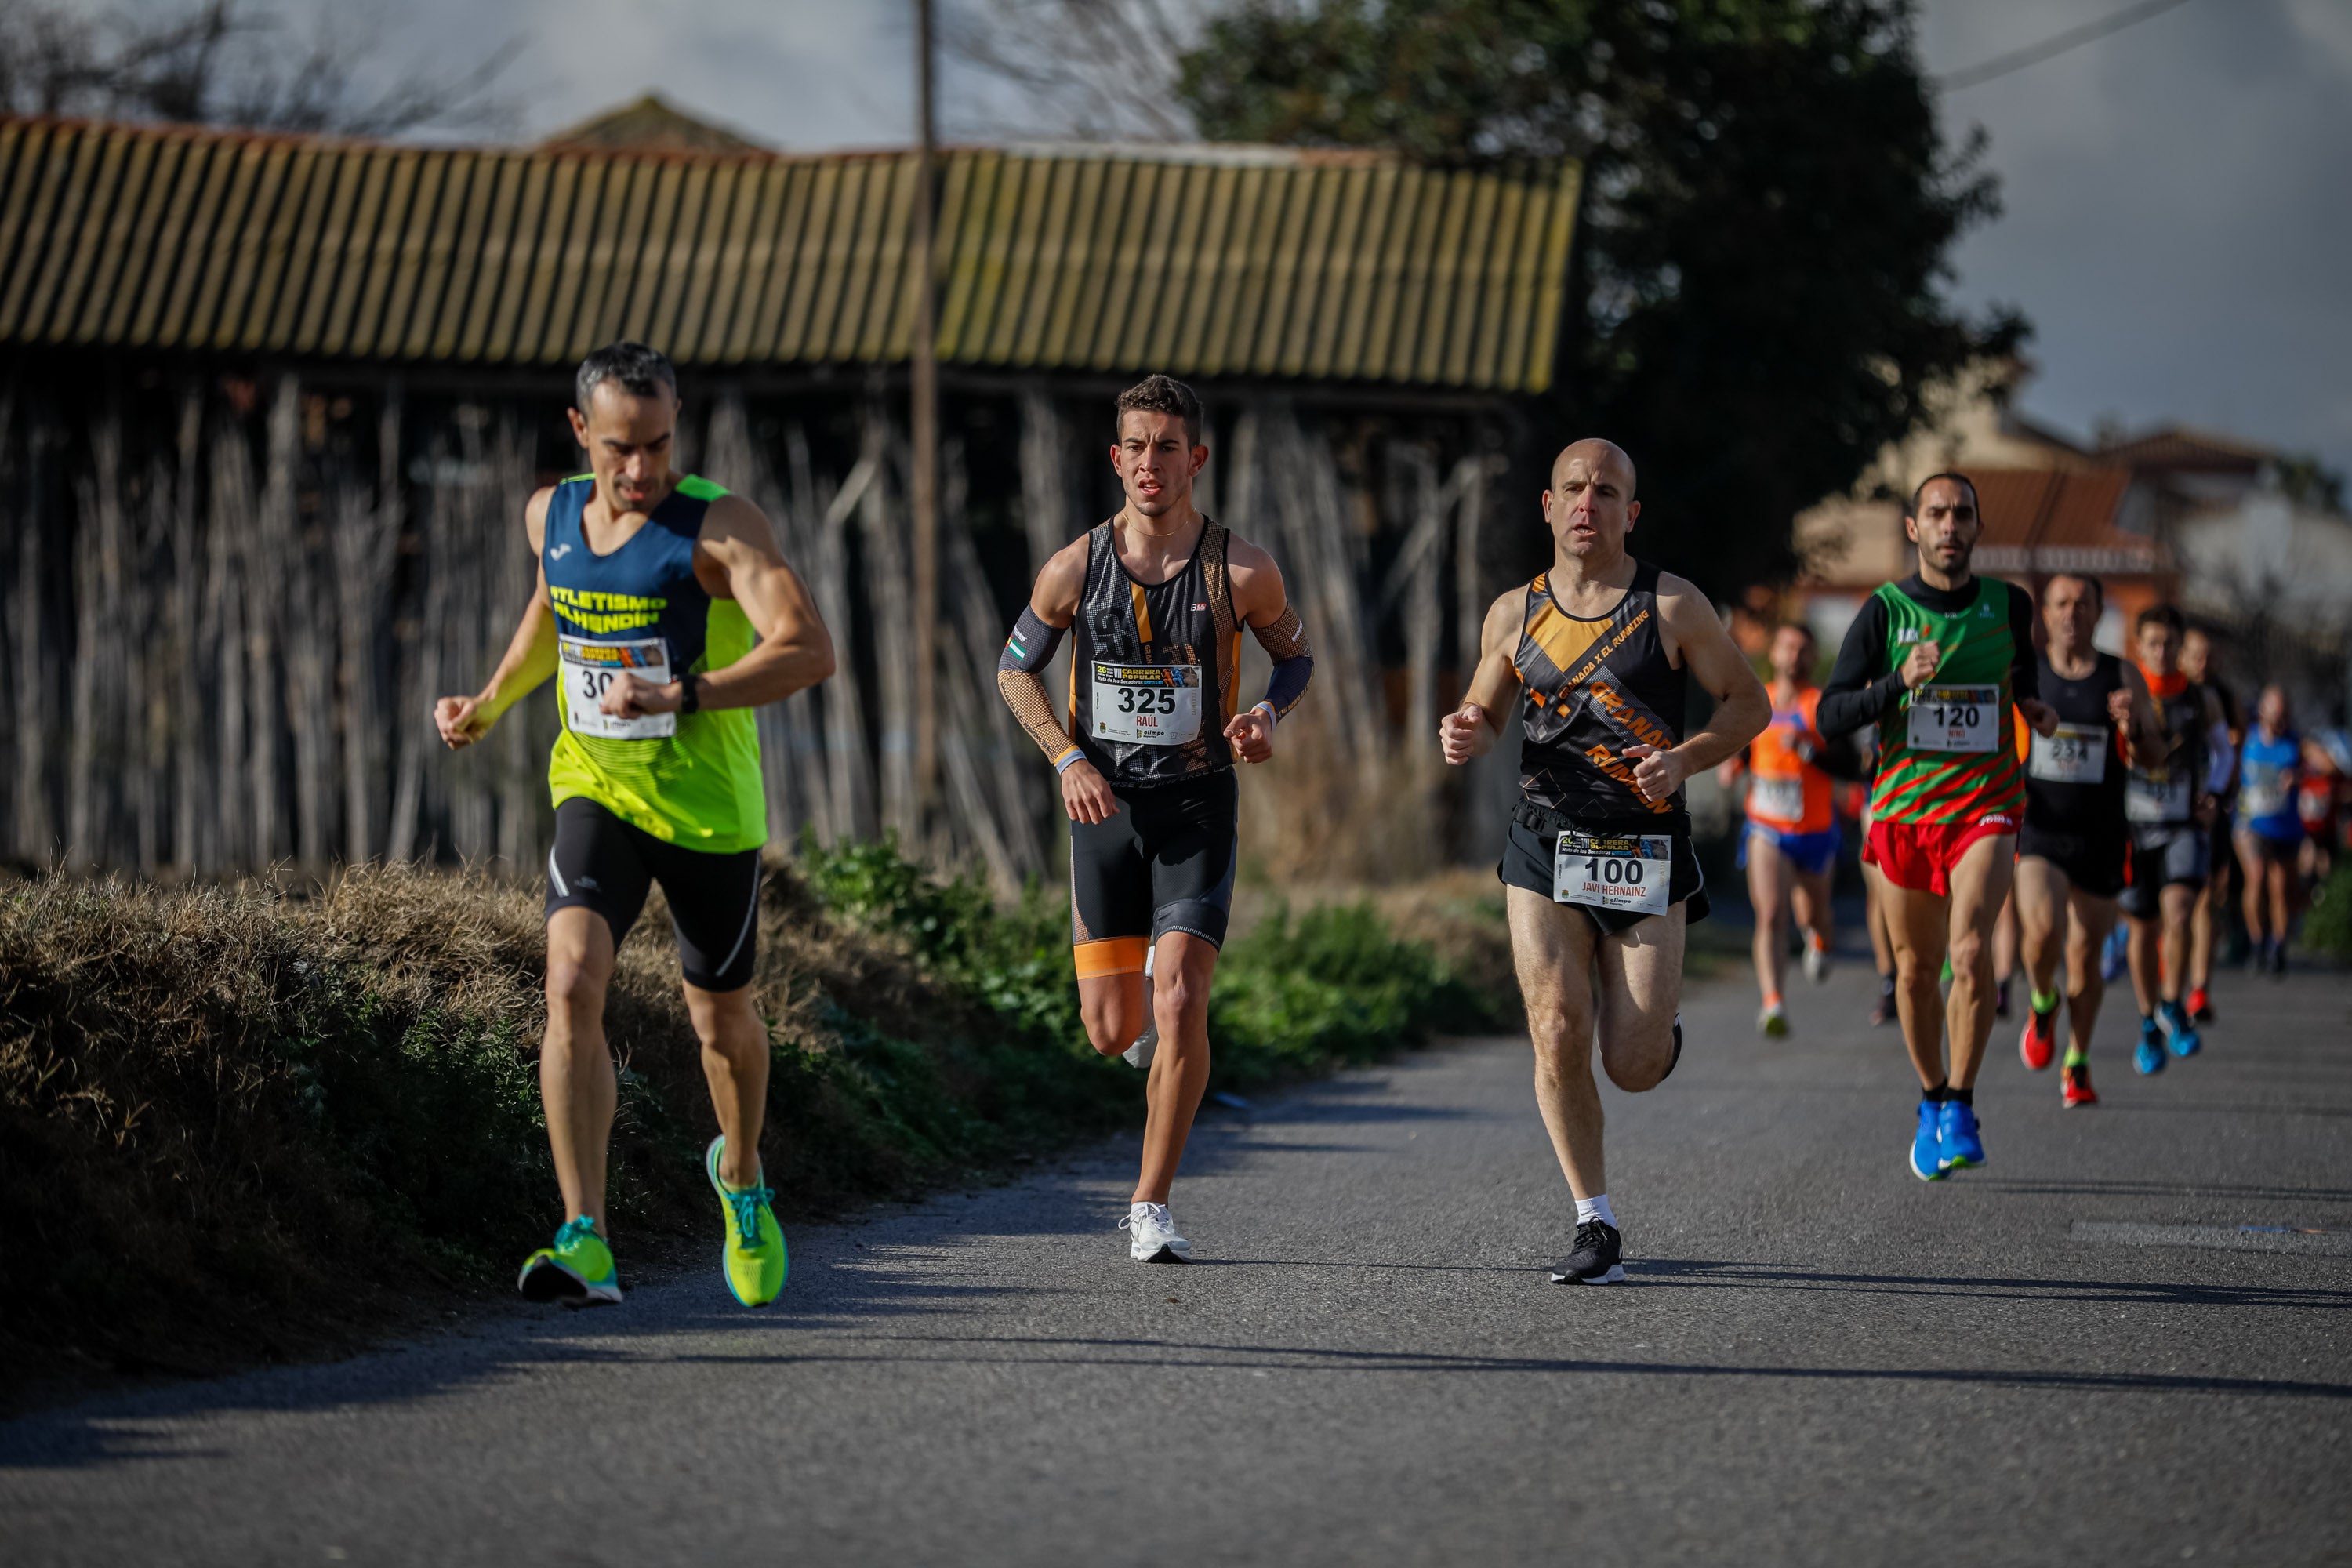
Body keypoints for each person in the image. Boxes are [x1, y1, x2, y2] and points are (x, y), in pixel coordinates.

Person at [435, 342, 836, 1309]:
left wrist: (685, 691)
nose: (642, 468)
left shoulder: (719, 527)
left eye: (659, 444)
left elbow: (809, 649)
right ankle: (587, 1238)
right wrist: (490, 700)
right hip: (596, 787)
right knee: (569, 980)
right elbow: (553, 610)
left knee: (722, 1022)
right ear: (581, 433)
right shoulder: (552, 514)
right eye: (621, 447)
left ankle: (740, 1176)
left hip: (706, 815)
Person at [996, 374, 1309, 1265]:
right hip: (1104, 807)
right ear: (1116, 458)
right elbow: (1013, 670)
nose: (1149, 462)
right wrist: (1065, 756)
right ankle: (1135, 1022)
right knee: (1109, 1030)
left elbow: (1297, 656)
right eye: (1135, 445)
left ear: (1195, 460)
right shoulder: (1073, 566)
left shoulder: (1242, 569)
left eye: (1167, 446)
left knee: (1180, 997)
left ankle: (1150, 1204)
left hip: (1197, 804)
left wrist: (1266, 716)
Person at [1439, 439, 1767, 1283]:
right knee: (1555, 1023)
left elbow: (1750, 701)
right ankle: (1595, 1219)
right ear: (1548, 507)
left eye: (1607, 491)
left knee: (1632, 1062)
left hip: (1643, 846)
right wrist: (1466, 729)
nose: (1588, 503)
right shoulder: (1514, 611)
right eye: (1574, 489)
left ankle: (1658, 1035)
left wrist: (1688, 758)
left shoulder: (1673, 605)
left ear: (1631, 512)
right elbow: (1483, 707)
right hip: (1545, 842)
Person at [1816, 473, 2057, 1181]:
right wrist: (1897, 684)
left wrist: (2036, 710)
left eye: (1962, 514)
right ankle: (1930, 1097)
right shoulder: (1885, 612)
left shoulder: (2010, 607)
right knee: (1917, 974)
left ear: (1977, 529)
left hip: (1985, 804)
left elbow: (2027, 678)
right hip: (1903, 813)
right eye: (1937, 514)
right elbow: (1830, 717)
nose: (1950, 526)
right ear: (1914, 529)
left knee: (1972, 950)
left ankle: (1963, 1101)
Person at [2012, 572, 2159, 1109]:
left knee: (2085, 953)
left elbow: (2154, 757)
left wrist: (2134, 729)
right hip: (2041, 828)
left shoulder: (2122, 676)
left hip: (2100, 834)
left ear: (2099, 613)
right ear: (2045, 614)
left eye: (2083, 603)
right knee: (2044, 930)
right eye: (2061, 603)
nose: (2071, 612)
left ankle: (2076, 1060)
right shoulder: (2026, 674)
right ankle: (2042, 1001)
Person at [1716, 622, 1851, 1036]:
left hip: (1814, 830)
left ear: (1811, 658)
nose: (1794, 656)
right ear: (1773, 654)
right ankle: (1773, 1002)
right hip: (1767, 826)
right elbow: (1746, 743)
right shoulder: (1760, 701)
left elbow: (1849, 765)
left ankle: (1821, 940)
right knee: (1771, 914)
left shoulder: (1821, 705)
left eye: (1803, 649)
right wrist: (1733, 764)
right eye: (1787, 647)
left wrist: (1808, 749)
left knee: (1815, 914)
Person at [2118, 604, 2230, 1073]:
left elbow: (2224, 751)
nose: (2162, 653)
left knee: (2181, 912)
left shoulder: (2201, 699)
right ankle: (2148, 1020)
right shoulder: (2123, 693)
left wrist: (2216, 794)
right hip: (2132, 827)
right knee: (2142, 928)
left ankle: (2172, 1001)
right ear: (2138, 647)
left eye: (2170, 645)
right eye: (2153, 645)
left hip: (2183, 822)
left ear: (2180, 649)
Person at [2179, 626, 2239, 1020]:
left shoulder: (2223, 698)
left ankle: (2199, 989)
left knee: (2206, 899)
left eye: (2210, 656)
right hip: (2162, 811)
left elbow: (2233, 752)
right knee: (2172, 904)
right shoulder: (2159, 691)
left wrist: (2219, 797)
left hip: (2210, 811)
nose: (2203, 663)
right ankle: (2170, 969)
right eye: (2196, 654)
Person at [2234, 684, 2302, 976]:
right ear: (2263, 711)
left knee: (2280, 889)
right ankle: (2257, 941)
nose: (2280, 719)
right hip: (2251, 824)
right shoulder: (2246, 741)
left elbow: (2320, 763)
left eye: (2284, 714)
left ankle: (2277, 946)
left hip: (2284, 826)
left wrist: (2299, 775)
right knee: (2257, 877)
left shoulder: (2295, 744)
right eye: (2275, 713)